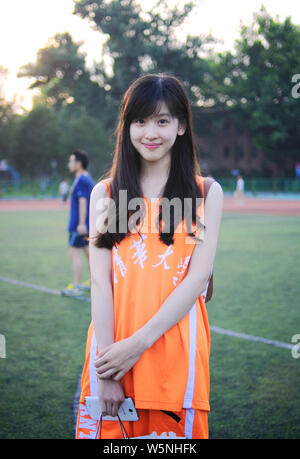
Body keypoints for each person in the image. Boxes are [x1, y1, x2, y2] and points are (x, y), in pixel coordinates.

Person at [75, 74, 223, 439]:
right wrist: (109, 370)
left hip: (177, 363)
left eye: (162, 120)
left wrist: (137, 346)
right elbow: (100, 283)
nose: (150, 132)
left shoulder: (205, 193)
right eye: (140, 120)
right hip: (111, 358)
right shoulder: (105, 194)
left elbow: (198, 279)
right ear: (127, 126)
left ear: (182, 125)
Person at [61, 150, 95, 297]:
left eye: (71, 161)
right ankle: (95, 282)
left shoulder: (81, 180)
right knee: (89, 254)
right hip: (88, 224)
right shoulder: (86, 179)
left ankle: (76, 286)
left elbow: (83, 201)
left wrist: (81, 223)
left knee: (74, 253)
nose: (69, 164)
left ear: (78, 164)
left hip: (79, 225)